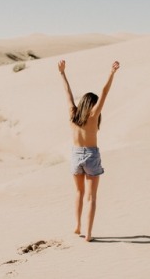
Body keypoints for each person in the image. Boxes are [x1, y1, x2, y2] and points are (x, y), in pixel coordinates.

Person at [58, 59, 120, 242]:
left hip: (76, 155)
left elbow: (67, 93)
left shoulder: (72, 114)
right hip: (91, 155)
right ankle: (89, 234)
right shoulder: (94, 116)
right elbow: (104, 92)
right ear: (92, 105)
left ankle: (77, 226)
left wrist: (62, 73)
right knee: (92, 197)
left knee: (79, 193)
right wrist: (111, 73)